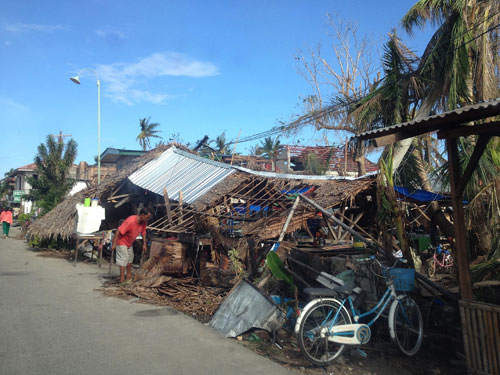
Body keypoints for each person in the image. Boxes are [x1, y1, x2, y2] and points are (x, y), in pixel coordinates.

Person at [112, 208, 151, 284]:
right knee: (124, 259)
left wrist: (144, 244)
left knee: (130, 259)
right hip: (121, 241)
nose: (148, 219)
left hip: (129, 242)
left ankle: (128, 276)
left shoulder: (143, 222)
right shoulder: (130, 221)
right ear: (142, 215)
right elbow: (119, 230)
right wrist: (114, 243)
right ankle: (122, 279)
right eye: (147, 217)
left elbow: (143, 232)